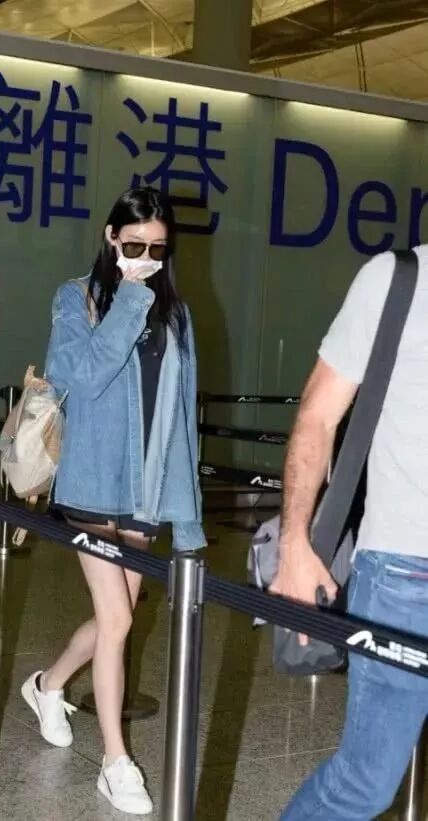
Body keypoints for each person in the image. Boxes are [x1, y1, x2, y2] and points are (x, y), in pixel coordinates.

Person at [21, 186, 206, 815]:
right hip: (93, 485)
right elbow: (81, 377)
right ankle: (115, 762)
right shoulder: (75, 298)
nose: (146, 259)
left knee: (111, 620)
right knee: (121, 622)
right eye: (134, 245)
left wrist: (188, 521)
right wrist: (129, 297)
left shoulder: (177, 316)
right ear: (110, 237)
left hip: (147, 492)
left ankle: (48, 685)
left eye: (157, 249)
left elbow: (183, 420)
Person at [270, 245, 428, 820]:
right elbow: (317, 416)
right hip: (406, 575)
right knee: (367, 781)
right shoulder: (397, 280)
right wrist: (295, 542)